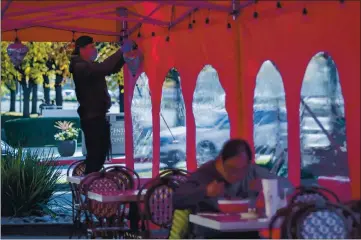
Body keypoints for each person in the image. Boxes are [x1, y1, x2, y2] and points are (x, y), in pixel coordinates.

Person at [173, 138, 294, 239]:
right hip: (210, 235)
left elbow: (288, 186)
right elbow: (176, 199)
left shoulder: (252, 172)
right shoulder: (204, 175)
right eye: (232, 169)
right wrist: (205, 191)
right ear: (221, 160)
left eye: (243, 169)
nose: (238, 175)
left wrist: (267, 186)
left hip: (247, 233)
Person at [69, 35, 127, 174]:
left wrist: (124, 56)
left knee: (99, 155)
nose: (95, 50)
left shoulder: (87, 66)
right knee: (96, 156)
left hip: (96, 117)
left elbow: (109, 69)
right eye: (92, 47)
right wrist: (121, 51)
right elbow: (104, 68)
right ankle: (90, 184)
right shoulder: (80, 66)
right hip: (92, 118)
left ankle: (91, 182)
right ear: (81, 49)